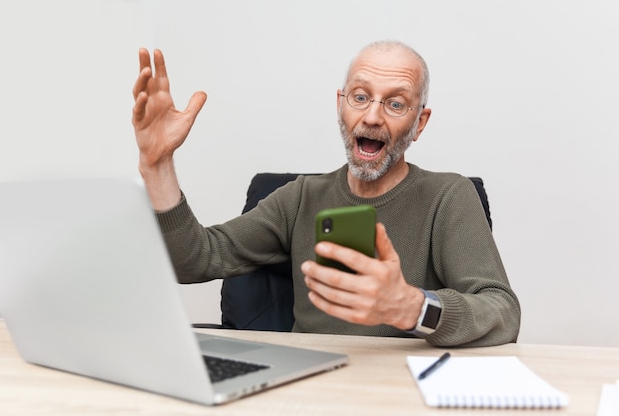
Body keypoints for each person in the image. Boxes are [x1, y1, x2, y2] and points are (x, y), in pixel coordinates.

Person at [132, 40, 521, 347]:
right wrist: (157, 165)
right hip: (308, 385)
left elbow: (502, 311)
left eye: (396, 103)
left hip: (402, 392)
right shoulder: (299, 198)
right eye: (360, 96)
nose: (371, 116)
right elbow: (194, 259)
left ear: (419, 123)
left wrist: (412, 307)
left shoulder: (448, 196)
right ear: (341, 106)